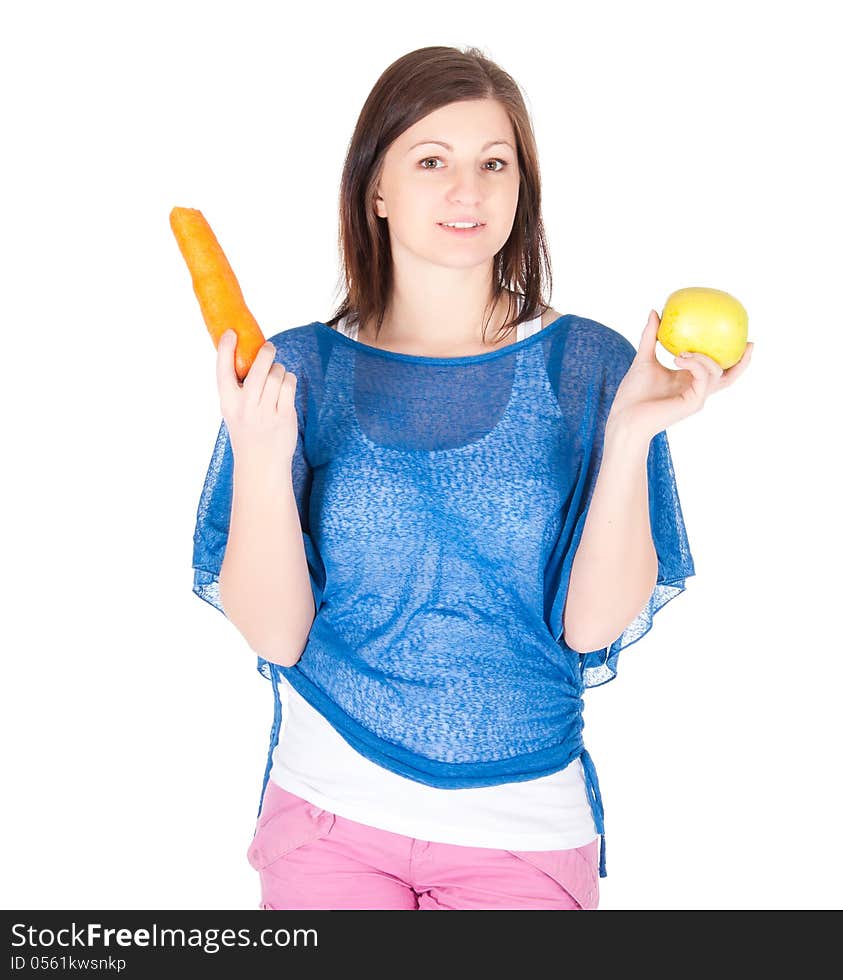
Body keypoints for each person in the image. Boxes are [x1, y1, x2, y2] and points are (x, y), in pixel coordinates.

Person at [191, 45, 753, 911]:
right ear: (375, 190)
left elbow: (593, 626)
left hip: (522, 836)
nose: (469, 191)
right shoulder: (293, 370)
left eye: (495, 164)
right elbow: (275, 637)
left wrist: (635, 431)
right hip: (328, 820)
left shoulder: (593, 368)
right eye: (431, 162)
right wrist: (263, 459)